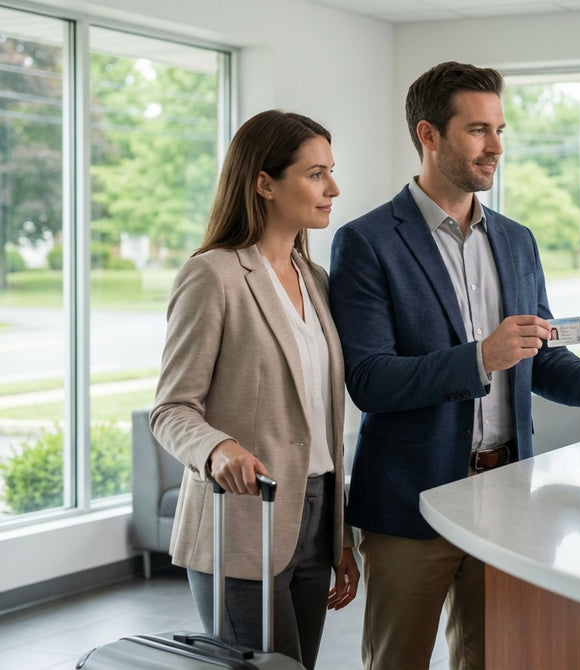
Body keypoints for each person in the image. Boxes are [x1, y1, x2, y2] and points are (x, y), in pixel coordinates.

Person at [328, 61, 580, 670]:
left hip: (506, 496)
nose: (495, 147)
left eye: (499, 129)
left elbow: (538, 361)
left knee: (494, 659)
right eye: (476, 130)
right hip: (409, 502)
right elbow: (369, 381)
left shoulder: (516, 240)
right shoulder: (367, 242)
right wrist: (479, 358)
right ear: (429, 135)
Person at [150, 110, 359, 669]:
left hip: (314, 519)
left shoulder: (317, 282)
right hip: (241, 519)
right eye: (316, 174)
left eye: (331, 172)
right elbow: (171, 409)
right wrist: (217, 448)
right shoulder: (212, 275)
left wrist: (341, 536)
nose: (333, 188)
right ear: (264, 182)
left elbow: (321, 421)